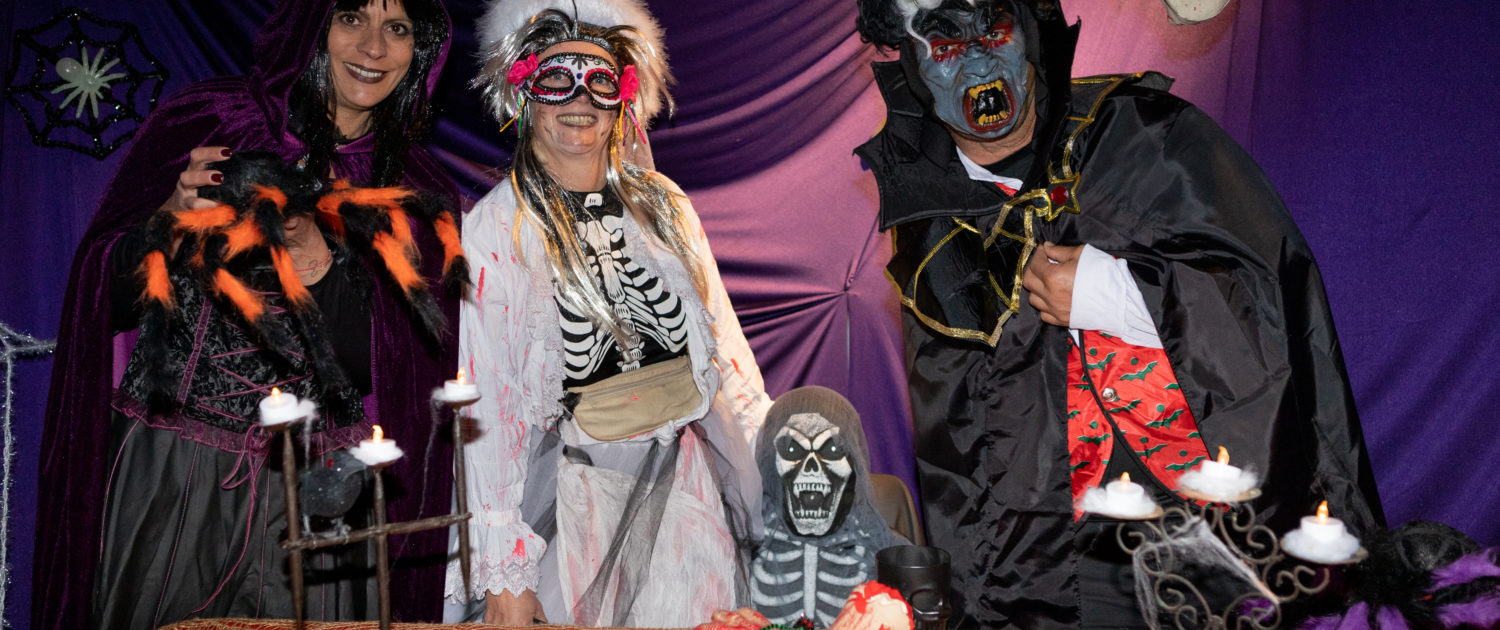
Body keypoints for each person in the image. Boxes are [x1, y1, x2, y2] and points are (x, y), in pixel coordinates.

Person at [852, 0, 1385, 627]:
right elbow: (961, 454)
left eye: (992, 27)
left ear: (1031, 30)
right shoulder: (929, 227)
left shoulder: (1145, 136)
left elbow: (1275, 300)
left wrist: (1118, 292)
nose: (976, 60)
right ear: (911, 65)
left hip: (1225, 532)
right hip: (1064, 573)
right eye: (944, 43)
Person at [32, 0, 459, 627]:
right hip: (168, 471)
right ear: (315, 24)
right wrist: (170, 222)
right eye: (351, 18)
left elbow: (386, 371)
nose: (373, 47)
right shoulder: (215, 121)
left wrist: (313, 259)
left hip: (316, 491)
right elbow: (106, 300)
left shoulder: (413, 192)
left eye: (397, 29)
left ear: (419, 52)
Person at [447, 0, 772, 626]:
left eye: (598, 80)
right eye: (556, 78)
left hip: (690, 493)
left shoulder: (665, 206)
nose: (579, 99)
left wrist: (763, 469)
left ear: (622, 95)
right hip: (578, 507)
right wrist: (504, 566)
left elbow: (726, 351)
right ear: (524, 92)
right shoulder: (496, 227)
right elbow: (490, 400)